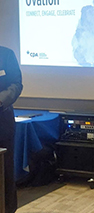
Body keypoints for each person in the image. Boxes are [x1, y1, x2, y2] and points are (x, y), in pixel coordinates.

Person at [0, 46, 23, 213]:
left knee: (4, 171)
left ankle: (7, 209)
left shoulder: (6, 54)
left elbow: (16, 84)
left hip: (2, 121)